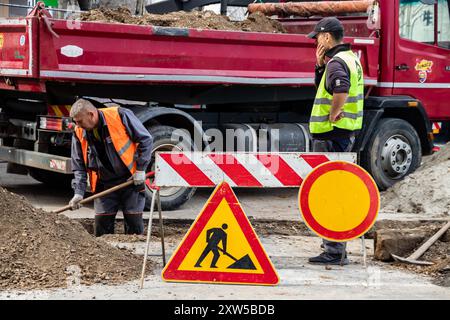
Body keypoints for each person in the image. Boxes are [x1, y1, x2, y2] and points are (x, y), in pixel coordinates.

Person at [307, 17, 364, 265]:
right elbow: (331, 87)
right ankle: (334, 247)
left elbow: (341, 89)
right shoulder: (351, 59)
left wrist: (333, 114)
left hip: (332, 135)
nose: (317, 41)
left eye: (318, 37)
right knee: (335, 189)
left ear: (327, 37)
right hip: (343, 134)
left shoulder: (338, 63)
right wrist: (320, 66)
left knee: (329, 192)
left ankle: (334, 251)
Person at [68, 98, 153, 237]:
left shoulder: (120, 115)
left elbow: (146, 140)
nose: (77, 125)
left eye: (79, 121)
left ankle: (132, 257)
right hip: (104, 185)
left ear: (91, 114)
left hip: (131, 180)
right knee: (102, 227)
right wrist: (79, 192)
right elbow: (78, 165)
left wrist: (140, 170)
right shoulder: (79, 131)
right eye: (75, 122)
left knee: (134, 226)